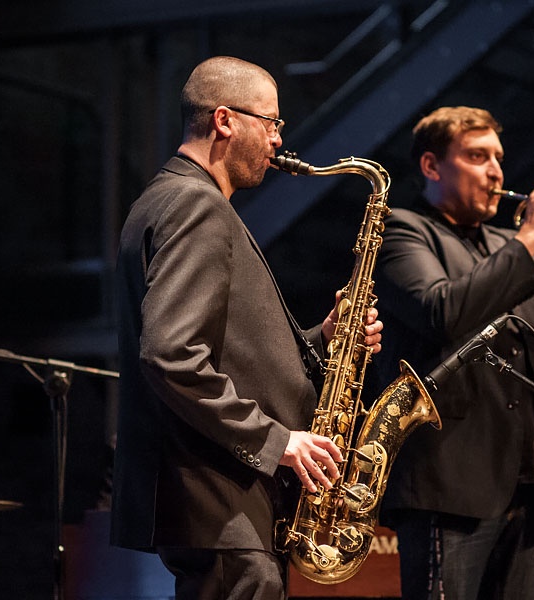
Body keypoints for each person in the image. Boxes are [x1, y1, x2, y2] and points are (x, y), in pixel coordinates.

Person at [111, 56, 383, 600]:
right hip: (221, 503)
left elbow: (225, 350)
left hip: (220, 506)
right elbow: (170, 356)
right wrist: (278, 441)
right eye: (272, 122)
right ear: (225, 120)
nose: (279, 139)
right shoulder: (195, 205)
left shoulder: (170, 199)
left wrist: (326, 338)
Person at [372, 106, 534, 599]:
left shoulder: (514, 247)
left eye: (497, 157)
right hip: (451, 482)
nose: (496, 171)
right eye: (477, 156)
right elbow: (442, 312)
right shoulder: (402, 231)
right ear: (432, 166)